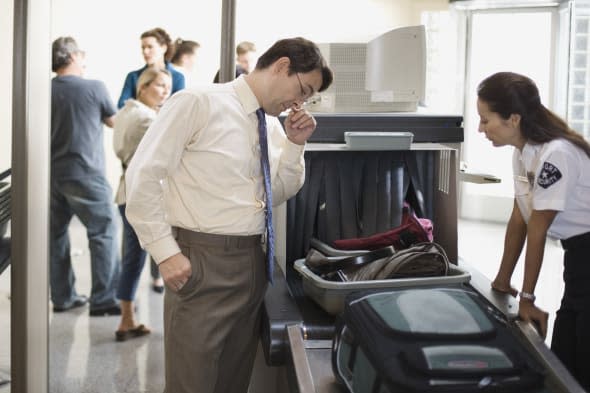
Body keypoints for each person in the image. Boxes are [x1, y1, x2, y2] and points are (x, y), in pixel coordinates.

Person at [125, 37, 333, 393]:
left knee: (232, 382)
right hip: (202, 261)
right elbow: (143, 175)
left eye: (308, 98)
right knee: (192, 383)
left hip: (253, 262)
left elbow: (277, 193)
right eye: (303, 89)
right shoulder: (198, 102)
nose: (299, 103)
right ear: (282, 66)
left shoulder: (268, 124)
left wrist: (296, 145)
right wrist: (165, 251)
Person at [478, 71, 590, 390]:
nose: (480, 129)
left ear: (513, 118)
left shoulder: (556, 154)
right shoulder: (523, 154)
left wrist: (527, 298)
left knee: (582, 355)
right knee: (566, 355)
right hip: (578, 253)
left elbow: (538, 229)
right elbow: (520, 219)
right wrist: (502, 279)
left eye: (485, 120)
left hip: (586, 249)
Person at [50, 36, 121, 316]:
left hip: (51, 175)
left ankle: (63, 298)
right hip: (86, 174)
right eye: (82, 55)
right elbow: (115, 122)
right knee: (103, 232)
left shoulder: (42, 90)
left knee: (55, 237)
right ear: (74, 57)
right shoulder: (94, 87)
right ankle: (104, 300)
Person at [113, 67, 172, 341]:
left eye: (167, 86)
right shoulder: (147, 119)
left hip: (127, 190)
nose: (165, 91)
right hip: (141, 195)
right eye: (159, 85)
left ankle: (128, 319)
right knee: (137, 259)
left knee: (133, 258)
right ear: (143, 86)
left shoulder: (126, 112)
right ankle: (126, 321)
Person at [117, 27, 185, 109]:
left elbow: (178, 107)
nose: (145, 52)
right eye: (143, 48)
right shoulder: (133, 76)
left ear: (163, 48)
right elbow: (122, 105)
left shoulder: (178, 77)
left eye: (150, 47)